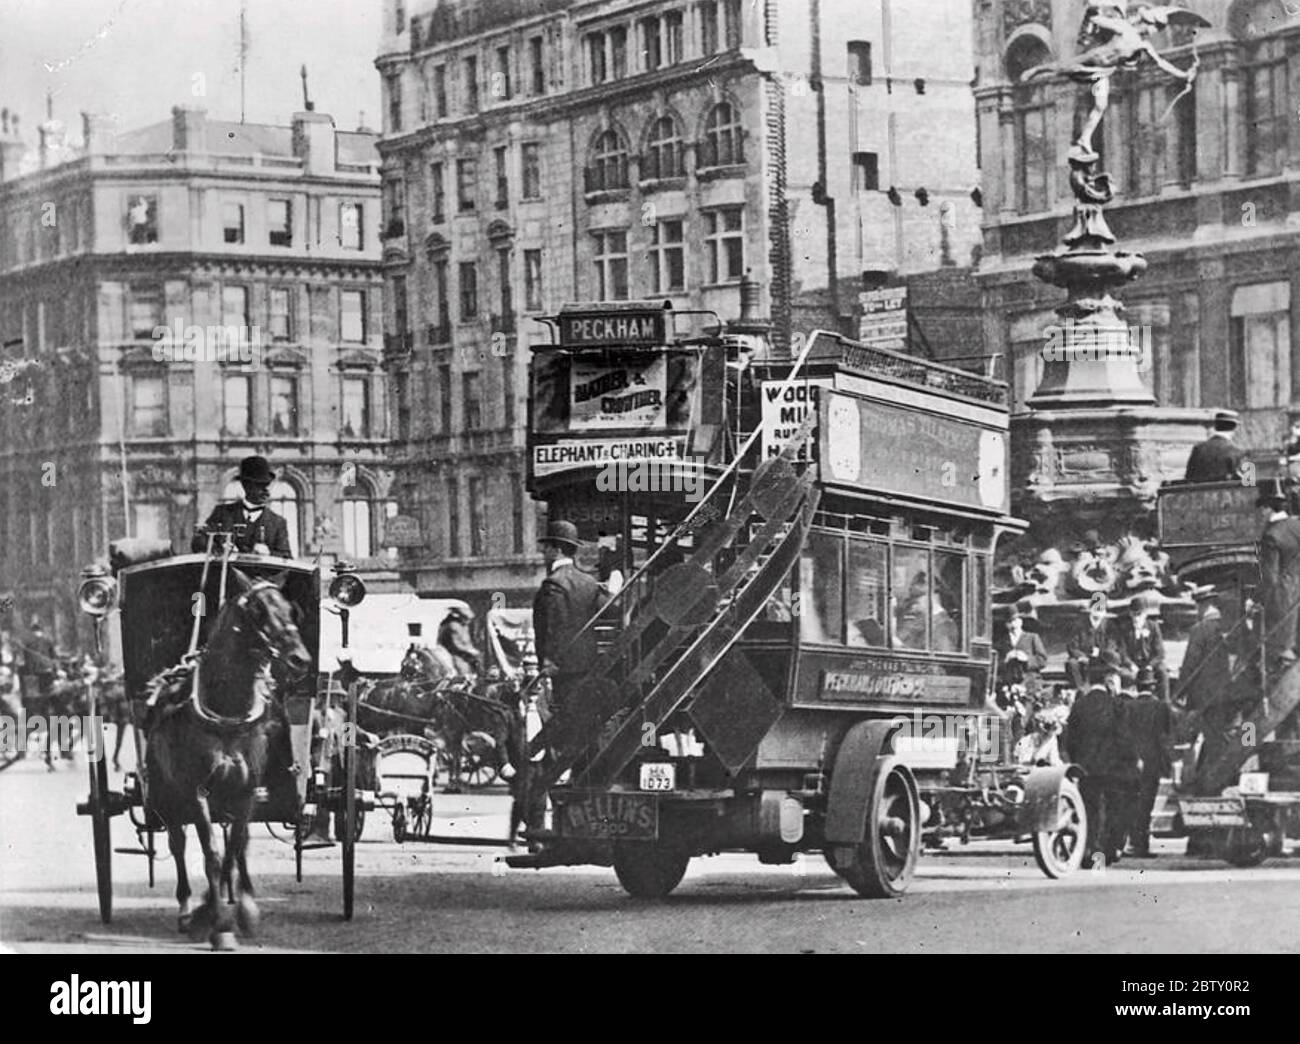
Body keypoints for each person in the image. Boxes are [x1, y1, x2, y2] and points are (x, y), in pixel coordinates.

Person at [1062, 653, 1137, 866]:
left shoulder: (1079, 706)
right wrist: (1130, 761)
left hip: (1086, 769)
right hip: (1112, 770)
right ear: (1107, 680)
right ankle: (1105, 854)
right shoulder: (1116, 706)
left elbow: (1070, 741)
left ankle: (1088, 853)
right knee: (1111, 812)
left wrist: (1077, 762)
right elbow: (1124, 740)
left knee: (1089, 812)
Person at [532, 520, 603, 724]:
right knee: (584, 718)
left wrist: (548, 660)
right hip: (588, 663)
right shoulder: (589, 582)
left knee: (565, 722)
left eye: (546, 548)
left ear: (557, 550)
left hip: (561, 669)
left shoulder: (553, 584)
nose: (543, 553)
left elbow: (553, 626)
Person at [1178, 588, 1236, 774]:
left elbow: (1190, 665)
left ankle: (1207, 775)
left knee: (1207, 735)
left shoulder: (1199, 629)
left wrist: (1179, 693)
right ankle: (1217, 772)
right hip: (1230, 693)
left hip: (1205, 695)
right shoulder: (1234, 626)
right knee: (1225, 733)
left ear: (1203, 606)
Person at [191, 455, 292, 558]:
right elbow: (198, 542)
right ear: (246, 485)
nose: (266, 491)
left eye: (268, 485)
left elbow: (287, 558)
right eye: (260, 485)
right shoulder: (222, 513)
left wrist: (269, 554)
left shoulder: (278, 523)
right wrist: (219, 548)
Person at [1124, 666, 1172, 859]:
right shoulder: (1161, 707)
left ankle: (1131, 841)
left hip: (1132, 760)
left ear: (1137, 686)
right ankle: (1141, 844)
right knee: (1147, 804)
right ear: (1153, 687)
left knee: (1133, 801)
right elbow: (1165, 736)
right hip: (1152, 761)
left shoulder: (1128, 706)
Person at [501, 666, 551, 851]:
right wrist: (505, 764)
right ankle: (514, 836)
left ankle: (534, 839)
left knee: (540, 801)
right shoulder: (513, 714)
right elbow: (502, 741)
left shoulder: (543, 712)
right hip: (521, 764)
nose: (532, 697)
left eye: (536, 694)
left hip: (541, 762)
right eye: (529, 693)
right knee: (522, 800)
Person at [1256, 478, 1300, 668]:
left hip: (1282, 600)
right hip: (1298, 591)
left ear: (1267, 508)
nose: (1260, 514)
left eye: (1261, 509)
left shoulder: (1270, 535)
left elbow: (1270, 578)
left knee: (1278, 651)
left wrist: (1258, 600)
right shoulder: (1296, 526)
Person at [1116, 591, 1167, 702]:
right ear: (1130, 613)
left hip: (1149, 663)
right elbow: (1122, 652)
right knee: (1123, 674)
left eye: (1139, 614)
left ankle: (1165, 703)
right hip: (1132, 664)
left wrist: (1150, 665)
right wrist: (1130, 665)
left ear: (1145, 614)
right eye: (1133, 614)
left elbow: (1160, 653)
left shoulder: (1153, 627)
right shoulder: (1125, 628)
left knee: (1162, 671)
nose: (1136, 618)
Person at [23, 616, 58, 770]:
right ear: (41, 631)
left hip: (35, 678)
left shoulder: (29, 643)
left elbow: (27, 663)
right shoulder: (48, 641)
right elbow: (54, 658)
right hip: (48, 675)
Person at [1065, 599, 1120, 692]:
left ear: (1105, 612)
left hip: (1102, 659)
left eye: (1101, 610)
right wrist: (1082, 657)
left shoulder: (1110, 626)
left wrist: (1101, 655)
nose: (1098, 613)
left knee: (1113, 659)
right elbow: (1072, 646)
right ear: (1090, 609)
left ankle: (1109, 689)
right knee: (1072, 663)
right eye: (1096, 609)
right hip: (1084, 659)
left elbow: (1112, 645)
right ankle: (1081, 690)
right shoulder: (1079, 625)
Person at [1184, 411, 1245, 483]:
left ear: (1215, 426)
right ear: (1235, 428)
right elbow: (1247, 483)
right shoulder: (1236, 452)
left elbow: (1188, 477)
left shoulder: (1197, 449)